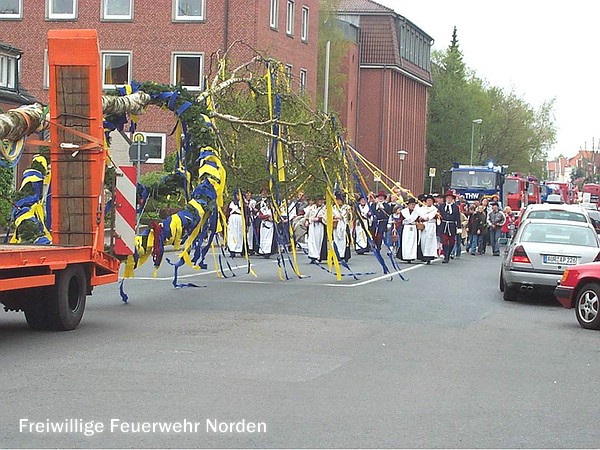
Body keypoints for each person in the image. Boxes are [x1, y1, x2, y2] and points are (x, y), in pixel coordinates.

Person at [438, 190, 461, 263]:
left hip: (452, 226)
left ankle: (448, 254)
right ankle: (445, 256)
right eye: (447, 197)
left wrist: (459, 228)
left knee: (452, 242)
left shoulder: (455, 207)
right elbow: (439, 216)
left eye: (450, 198)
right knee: (444, 241)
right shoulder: (442, 206)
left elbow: (458, 218)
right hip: (443, 225)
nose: (449, 199)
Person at [418, 194, 439, 264]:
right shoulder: (422, 209)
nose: (429, 202)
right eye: (428, 201)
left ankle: (429, 256)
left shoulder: (435, 209)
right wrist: (423, 218)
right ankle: (423, 255)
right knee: (423, 240)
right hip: (424, 226)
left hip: (431, 225)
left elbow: (430, 216)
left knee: (430, 241)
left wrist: (425, 217)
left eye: (430, 201)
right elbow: (420, 215)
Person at [306, 195, 326, 262]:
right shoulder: (312, 207)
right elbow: (307, 215)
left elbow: (326, 217)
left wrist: (318, 219)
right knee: (311, 240)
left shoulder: (325, 208)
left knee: (318, 241)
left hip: (319, 226)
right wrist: (307, 220)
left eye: (322, 200)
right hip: (312, 226)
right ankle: (312, 255)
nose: (320, 201)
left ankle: (317, 256)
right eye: (319, 200)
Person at [332, 193, 352, 262]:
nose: (338, 201)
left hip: (344, 226)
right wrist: (334, 217)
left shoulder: (346, 207)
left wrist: (343, 216)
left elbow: (349, 217)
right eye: (337, 200)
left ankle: (343, 256)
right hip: (335, 226)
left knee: (344, 241)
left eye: (340, 200)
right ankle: (336, 255)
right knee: (336, 240)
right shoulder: (333, 207)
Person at [400, 198, 420, 262]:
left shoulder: (416, 213)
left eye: (414, 205)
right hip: (406, 228)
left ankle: (412, 256)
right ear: (408, 205)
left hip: (413, 228)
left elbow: (418, 220)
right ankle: (406, 256)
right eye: (411, 204)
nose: (413, 206)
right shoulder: (404, 212)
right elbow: (400, 220)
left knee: (413, 242)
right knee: (406, 242)